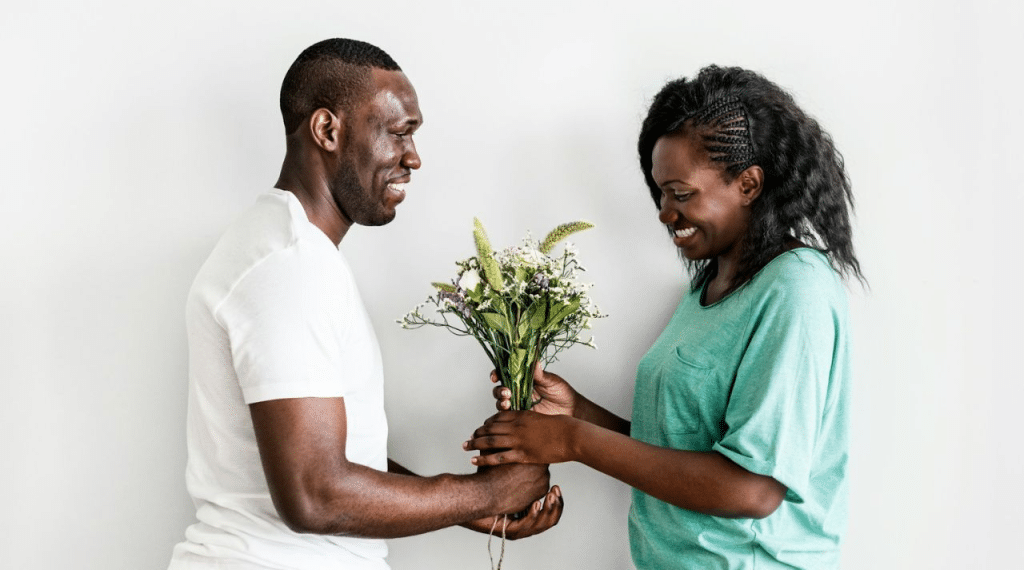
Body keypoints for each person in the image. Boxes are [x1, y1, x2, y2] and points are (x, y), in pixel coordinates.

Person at [168, 38, 562, 570]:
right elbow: (316, 495)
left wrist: (471, 507)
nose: (414, 157)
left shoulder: (292, 251)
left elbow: (340, 458)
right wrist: (488, 495)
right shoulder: (288, 268)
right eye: (399, 133)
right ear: (328, 130)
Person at [465, 65, 863, 569]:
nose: (663, 212)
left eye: (681, 193)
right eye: (660, 193)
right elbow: (683, 451)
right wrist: (577, 413)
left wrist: (572, 441)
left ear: (749, 184)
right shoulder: (708, 284)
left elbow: (753, 488)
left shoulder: (796, 290)